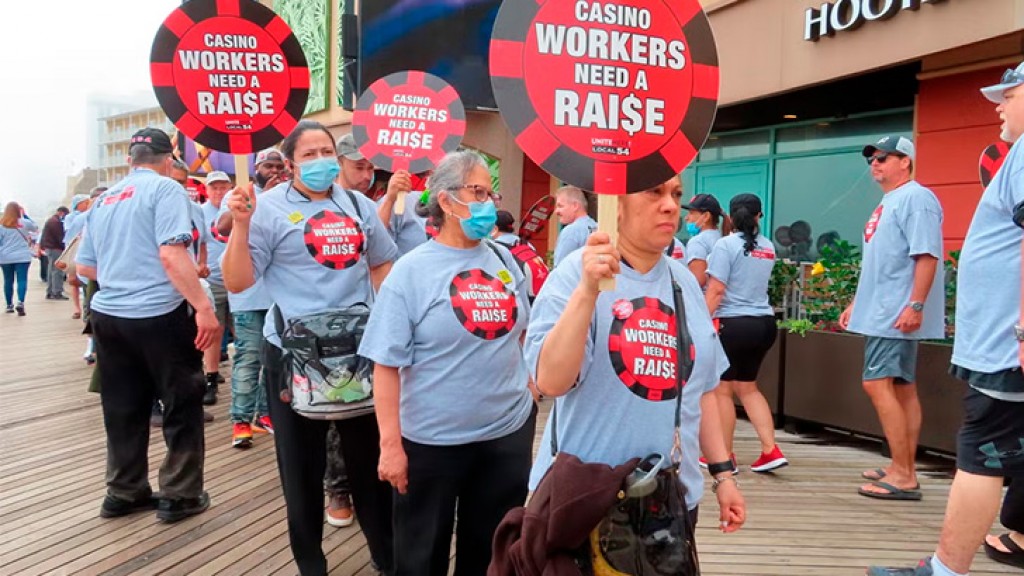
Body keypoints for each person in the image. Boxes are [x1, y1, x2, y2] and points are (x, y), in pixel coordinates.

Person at [524, 175, 745, 563]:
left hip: (669, 500)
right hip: (585, 498)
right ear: (616, 204)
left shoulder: (685, 283)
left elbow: (701, 390)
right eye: (654, 192)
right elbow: (551, 381)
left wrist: (723, 476)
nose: (670, 205)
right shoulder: (575, 274)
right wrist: (587, 293)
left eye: (676, 194)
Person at [866, 62, 1024, 576]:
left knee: (983, 451)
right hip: (999, 337)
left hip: (1006, 341)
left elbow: (926, 257)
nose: (998, 105)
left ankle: (945, 568)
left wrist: (1023, 325)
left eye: (1009, 94)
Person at [221, 120, 397, 575]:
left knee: (369, 464)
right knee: (301, 469)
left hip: (359, 353)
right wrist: (241, 226)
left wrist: (390, 322)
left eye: (326, 153)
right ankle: (310, 563)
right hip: (293, 356)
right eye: (310, 154)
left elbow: (381, 262)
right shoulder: (268, 209)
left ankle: (385, 555)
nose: (319, 161)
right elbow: (239, 280)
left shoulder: (357, 204)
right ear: (291, 162)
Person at [360, 151, 536, 576]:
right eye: (477, 191)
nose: (488, 202)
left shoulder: (505, 260)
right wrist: (390, 446)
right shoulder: (410, 272)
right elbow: (385, 364)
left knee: (491, 551)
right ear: (445, 201)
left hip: (505, 434)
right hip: (431, 443)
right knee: (421, 556)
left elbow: (524, 331)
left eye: (490, 192)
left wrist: (530, 387)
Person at [75, 127, 216, 523]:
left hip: (108, 316)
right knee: (181, 402)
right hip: (158, 313)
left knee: (122, 407)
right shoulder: (167, 190)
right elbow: (172, 254)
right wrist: (203, 307)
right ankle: (180, 494)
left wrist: (124, 274)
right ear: (168, 158)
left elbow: (85, 266)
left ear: (129, 159)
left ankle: (123, 491)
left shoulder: (104, 200)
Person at [838, 135, 944, 502]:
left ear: (906, 162)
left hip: (894, 312)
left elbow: (927, 255)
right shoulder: (892, 201)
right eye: (872, 158)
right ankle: (902, 465)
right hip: (883, 309)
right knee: (901, 387)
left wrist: (915, 305)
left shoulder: (916, 198)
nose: (875, 163)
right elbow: (881, 262)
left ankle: (903, 473)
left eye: (884, 157)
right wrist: (857, 302)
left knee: (878, 384)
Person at [704, 194, 787, 473]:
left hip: (733, 324)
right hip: (763, 323)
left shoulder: (724, 246)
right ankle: (770, 449)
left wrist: (699, 321)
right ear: (759, 217)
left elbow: (716, 290)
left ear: (730, 217)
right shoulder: (769, 247)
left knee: (722, 391)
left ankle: (725, 456)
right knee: (748, 387)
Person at [218, 148, 281, 448]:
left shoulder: (289, 196)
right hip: (248, 297)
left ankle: (266, 414)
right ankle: (240, 420)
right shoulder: (239, 192)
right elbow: (220, 227)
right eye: (268, 165)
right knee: (248, 358)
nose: (273, 171)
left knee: (274, 363)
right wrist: (252, 203)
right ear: (256, 168)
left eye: (278, 166)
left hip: (279, 298)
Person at [199, 170, 233, 406]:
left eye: (223, 187)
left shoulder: (238, 208)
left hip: (241, 282)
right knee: (214, 332)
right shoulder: (200, 213)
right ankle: (210, 378)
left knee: (244, 332)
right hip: (214, 281)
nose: (219, 192)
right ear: (207, 190)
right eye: (214, 188)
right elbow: (196, 243)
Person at [493, 209, 550, 303]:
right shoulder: (526, 244)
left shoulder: (496, 248)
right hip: (537, 294)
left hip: (515, 297)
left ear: (494, 228)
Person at [682, 194, 728, 289]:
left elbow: (697, 281)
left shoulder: (698, 242)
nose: (686, 218)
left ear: (706, 216)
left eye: (691, 213)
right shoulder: (721, 237)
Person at [63, 193, 96, 319]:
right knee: (77, 283)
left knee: (80, 283)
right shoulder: (72, 217)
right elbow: (69, 237)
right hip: (79, 253)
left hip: (79, 254)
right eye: (85, 202)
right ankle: (80, 309)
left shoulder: (76, 218)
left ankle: (83, 310)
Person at [0, 202, 35, 316]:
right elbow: (35, 227)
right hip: (23, 256)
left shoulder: (2, 225)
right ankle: (20, 302)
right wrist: (24, 215)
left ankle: (9, 305)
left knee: (8, 280)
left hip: (6, 257)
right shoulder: (24, 223)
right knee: (22, 280)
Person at [551, 185, 596, 266]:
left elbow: (561, 269)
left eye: (560, 206)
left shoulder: (571, 231)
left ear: (575, 206)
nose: (556, 211)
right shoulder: (596, 226)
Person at [40, 206, 69, 300]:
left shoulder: (51, 221)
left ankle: (50, 291)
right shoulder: (55, 222)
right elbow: (60, 237)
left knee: (51, 270)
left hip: (50, 248)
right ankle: (57, 292)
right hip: (56, 248)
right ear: (62, 213)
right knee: (57, 270)